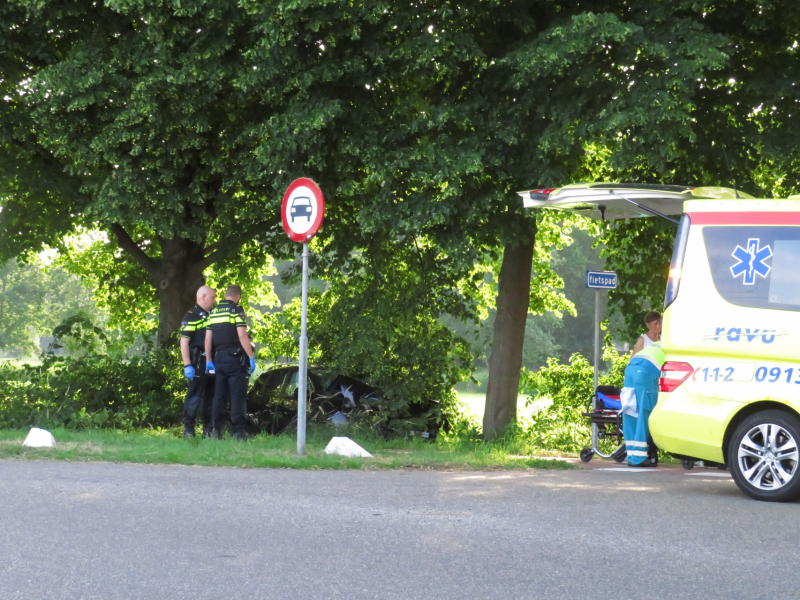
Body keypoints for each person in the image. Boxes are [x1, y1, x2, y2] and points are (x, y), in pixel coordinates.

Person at [204, 285, 256, 440]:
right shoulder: (236, 311)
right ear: (238, 296)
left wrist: (208, 360)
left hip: (218, 359)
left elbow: (208, 339)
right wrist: (251, 356)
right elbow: (242, 336)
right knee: (237, 396)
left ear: (226, 295)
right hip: (235, 360)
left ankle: (216, 431)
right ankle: (238, 432)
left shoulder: (213, 312)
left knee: (219, 396)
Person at [179, 285, 217, 438]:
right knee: (194, 396)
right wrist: (187, 364)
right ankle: (188, 429)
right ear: (203, 296)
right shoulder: (191, 316)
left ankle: (208, 429)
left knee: (211, 396)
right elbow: (184, 342)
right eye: (213, 297)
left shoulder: (213, 315)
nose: (215, 301)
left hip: (212, 360)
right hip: (198, 362)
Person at [621, 342, 666, 467]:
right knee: (644, 411)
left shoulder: (662, 342)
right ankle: (639, 458)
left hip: (631, 367)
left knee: (630, 410)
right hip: (646, 369)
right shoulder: (677, 345)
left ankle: (631, 455)